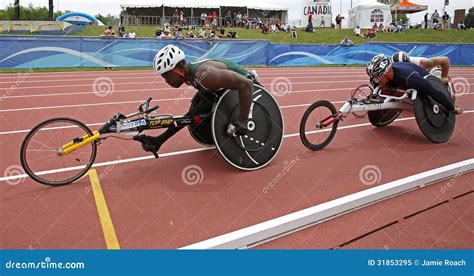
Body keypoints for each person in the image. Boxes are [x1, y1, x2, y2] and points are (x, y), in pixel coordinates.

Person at [133, 45, 258, 156]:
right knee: (193, 114)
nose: (167, 81)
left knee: (197, 112)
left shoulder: (204, 75)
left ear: (181, 66)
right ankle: (158, 141)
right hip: (218, 90)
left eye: (167, 76)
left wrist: (243, 120)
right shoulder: (189, 75)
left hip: (247, 87)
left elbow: (246, 84)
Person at [366, 54, 462, 115]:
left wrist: (451, 108)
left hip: (421, 75)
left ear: (387, 72)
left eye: (378, 77)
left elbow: (432, 90)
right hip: (404, 73)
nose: (376, 81)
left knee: (426, 87)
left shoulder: (410, 77)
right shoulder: (379, 76)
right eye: (374, 77)